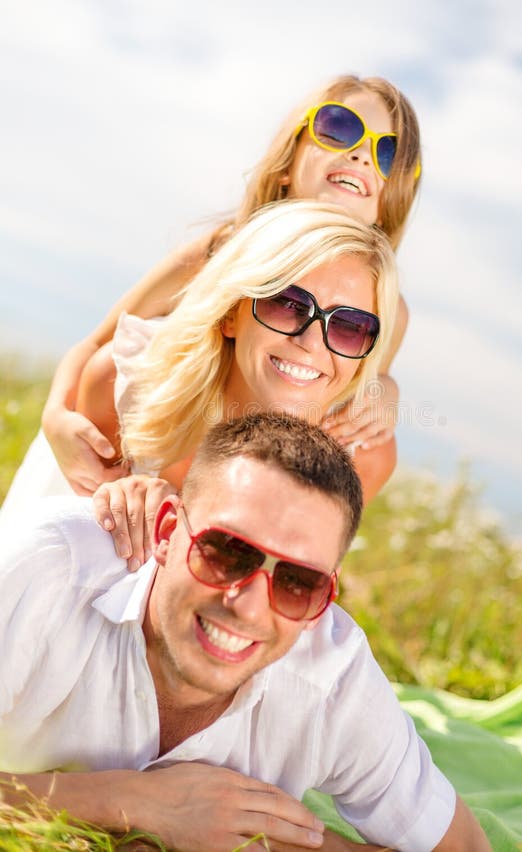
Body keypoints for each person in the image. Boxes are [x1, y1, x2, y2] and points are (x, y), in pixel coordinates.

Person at [0, 413, 490, 852]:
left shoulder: (334, 685)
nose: (249, 607)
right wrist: (128, 802)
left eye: (298, 583)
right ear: (168, 533)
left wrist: (266, 841)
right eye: (228, 551)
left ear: (325, 602)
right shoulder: (40, 568)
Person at [19, 73, 421, 499]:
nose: (361, 155)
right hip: (140, 442)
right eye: (339, 128)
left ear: (390, 200)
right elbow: (100, 342)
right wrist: (56, 416)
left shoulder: (382, 305)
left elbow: (367, 377)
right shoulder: (219, 250)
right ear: (288, 161)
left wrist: (387, 392)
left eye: (388, 152)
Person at [0, 200, 400, 552]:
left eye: (349, 326)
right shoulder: (123, 385)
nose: (312, 341)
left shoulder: (363, 456)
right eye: (287, 303)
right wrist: (119, 507)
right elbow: (68, 559)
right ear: (231, 314)